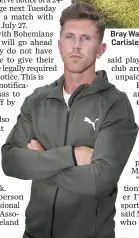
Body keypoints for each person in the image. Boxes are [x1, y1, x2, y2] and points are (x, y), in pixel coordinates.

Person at [1, 2, 138, 238]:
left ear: (100, 49)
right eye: (69, 36)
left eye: (86, 38)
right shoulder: (37, 100)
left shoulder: (115, 105)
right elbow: (10, 162)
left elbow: (99, 182)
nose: (76, 45)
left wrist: (39, 162)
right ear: (59, 44)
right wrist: (72, 156)